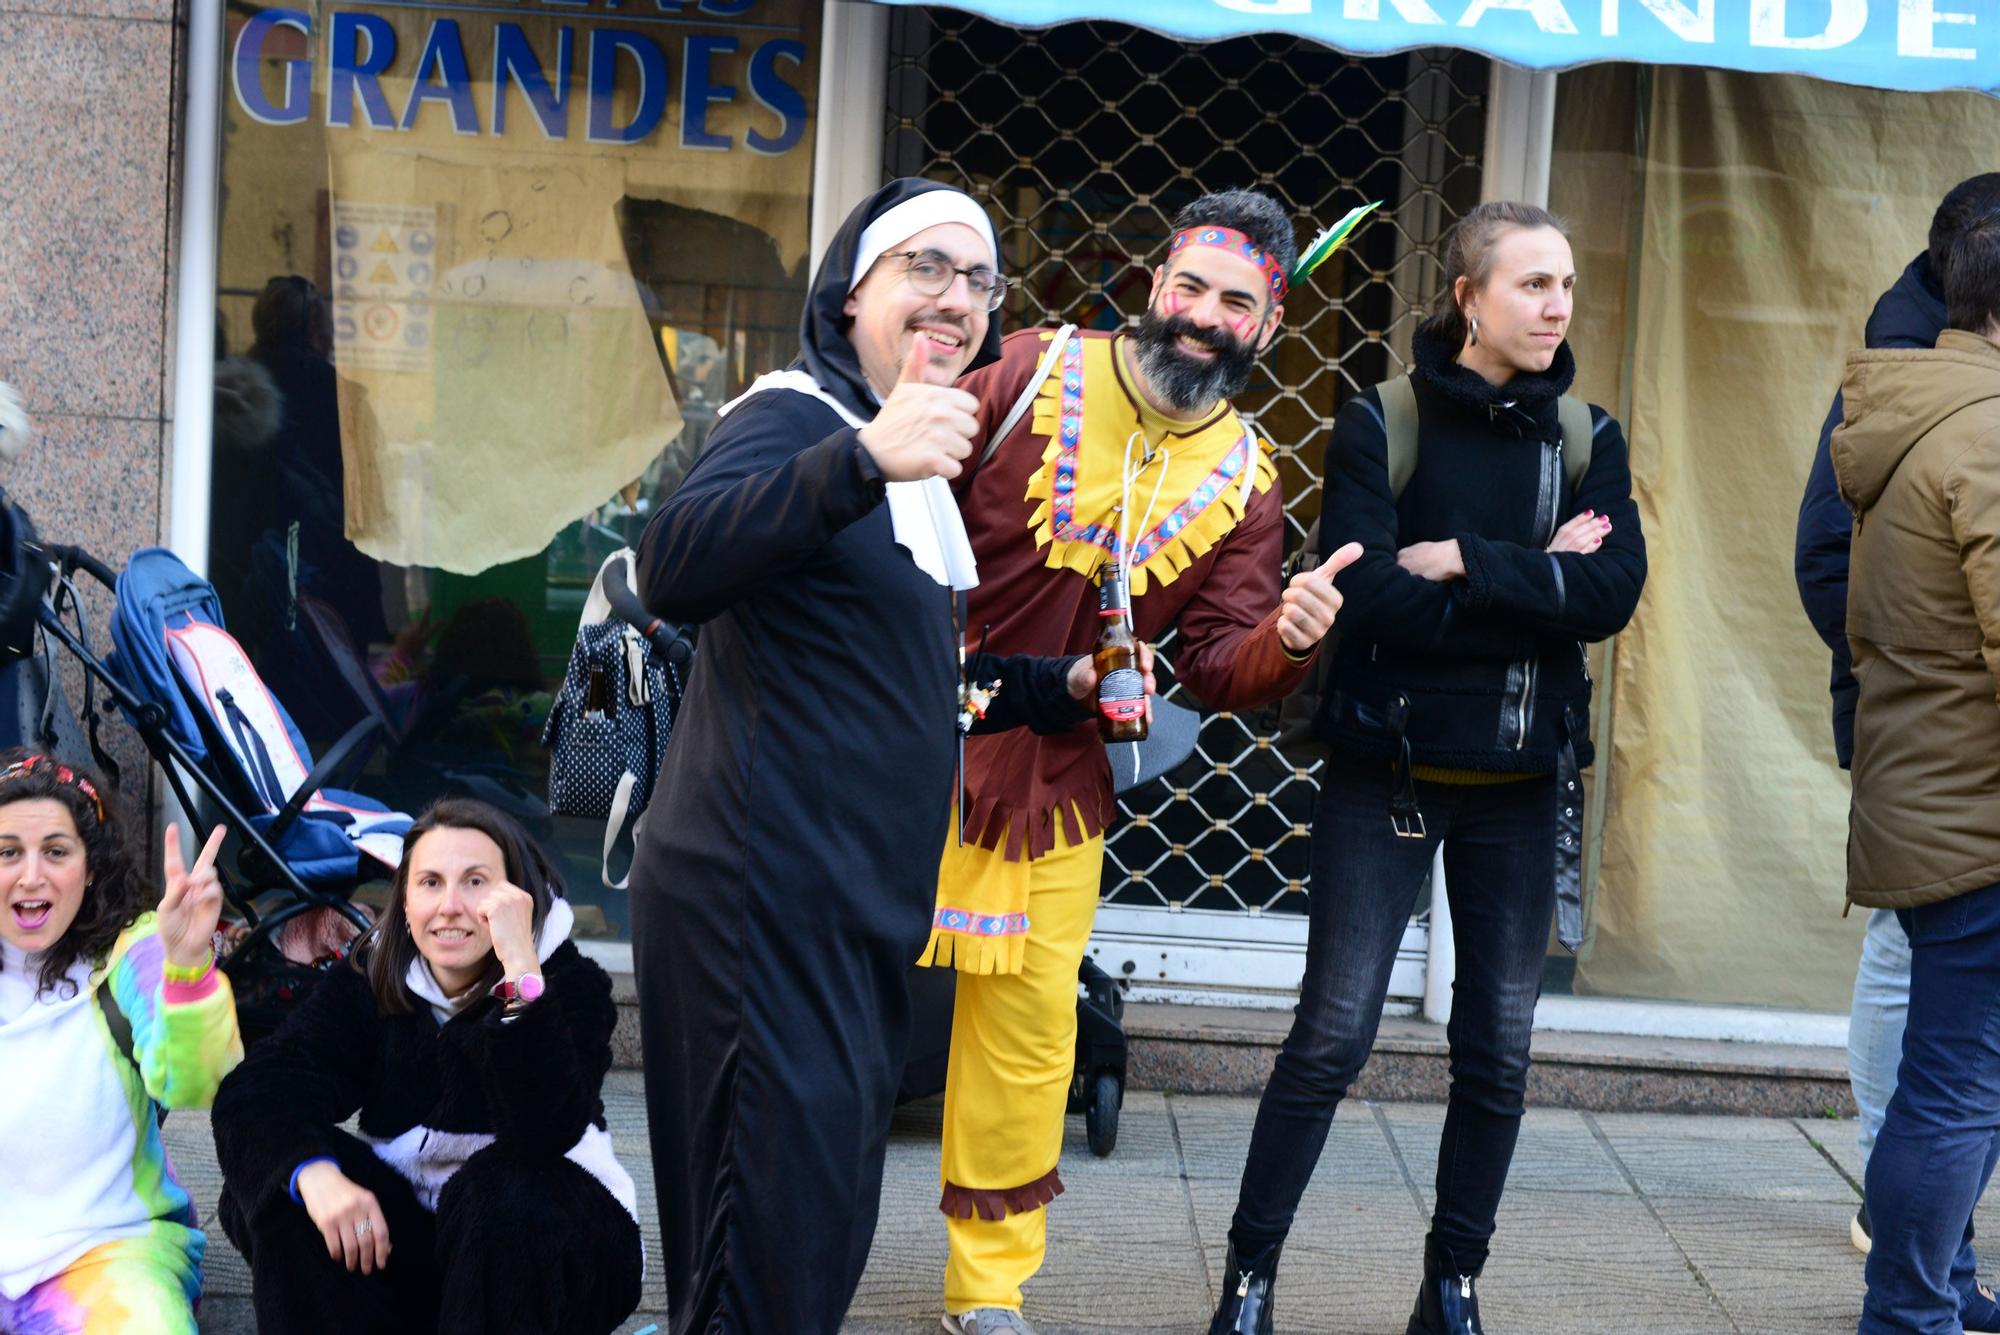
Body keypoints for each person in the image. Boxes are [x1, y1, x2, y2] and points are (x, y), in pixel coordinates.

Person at [629, 178, 1135, 1334]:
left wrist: (1054, 687)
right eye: (926, 268)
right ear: (852, 291)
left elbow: (911, 685)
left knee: (810, 1242)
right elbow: (675, 564)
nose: (955, 296)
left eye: (978, 279)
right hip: (761, 905)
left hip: (851, 914)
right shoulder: (797, 418)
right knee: (758, 1253)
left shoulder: (906, 463)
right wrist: (859, 459)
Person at [923, 187, 1361, 1335]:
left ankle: (986, 1295)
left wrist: (1289, 640)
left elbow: (1218, 665)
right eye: (1187, 288)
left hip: (1052, 790)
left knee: (1027, 1041)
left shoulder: (1248, 483)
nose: (1201, 318)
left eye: (1234, 302)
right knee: (825, 1002)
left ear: (1266, 327)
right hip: (893, 749)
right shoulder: (1025, 367)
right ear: (1152, 285)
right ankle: (776, 1251)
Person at [1211, 202, 1647, 1335]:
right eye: (1530, 285)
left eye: (1563, 285)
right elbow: (1369, 601)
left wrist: (1463, 561)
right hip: (1388, 776)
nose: (1556, 307)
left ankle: (1450, 1287)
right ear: (1466, 295)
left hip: (1517, 783)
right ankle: (1249, 1278)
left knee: (1496, 1054)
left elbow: (1608, 600)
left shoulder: (1587, 438)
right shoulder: (1379, 422)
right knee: (1330, 1039)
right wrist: (1529, 583)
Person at [210, 798, 642, 1335]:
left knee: (498, 1195)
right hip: (422, 1242)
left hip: (553, 1247)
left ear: (518, 897)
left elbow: (542, 1133)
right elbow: (263, 1084)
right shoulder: (373, 979)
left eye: (476, 882)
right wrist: (314, 1176)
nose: (450, 906)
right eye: (431, 883)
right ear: (406, 903)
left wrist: (520, 975)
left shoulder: (572, 985)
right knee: (279, 1178)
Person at [1795, 173, 2000, 1271]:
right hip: (1949, 757)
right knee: (1948, 1061)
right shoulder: (1939, 403)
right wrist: (1911, 676)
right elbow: (1825, 564)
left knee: (1952, 1064)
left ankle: (1929, 1275)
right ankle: (1914, 1281)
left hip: (1930, 748)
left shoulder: (1926, 394)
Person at [0, 751, 240, 1334]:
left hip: (107, 1254)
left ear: (90, 867)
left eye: (56, 851)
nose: (31, 875)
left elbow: (199, 1080)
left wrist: (187, 968)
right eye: (8, 852)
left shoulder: (134, 953)